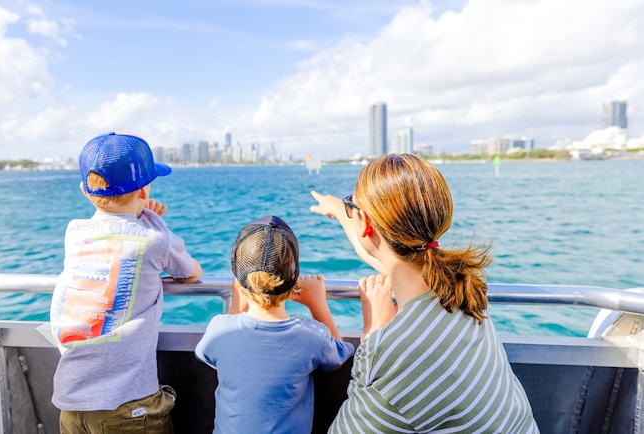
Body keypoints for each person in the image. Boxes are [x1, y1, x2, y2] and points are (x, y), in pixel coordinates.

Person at [310, 154, 540, 433]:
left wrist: (373, 333)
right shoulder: (462, 286)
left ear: (366, 224)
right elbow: (379, 251)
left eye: (352, 206)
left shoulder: (391, 356)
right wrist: (340, 208)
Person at [50, 131, 202, 434]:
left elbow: (110, 226)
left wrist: (139, 214)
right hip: (129, 409)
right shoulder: (154, 237)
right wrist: (153, 219)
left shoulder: (74, 232)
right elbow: (191, 272)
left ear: (84, 190)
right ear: (145, 190)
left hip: (72, 404)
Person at [194, 215, 355, 434]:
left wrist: (235, 307)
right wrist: (318, 305)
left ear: (237, 281)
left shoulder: (219, 329)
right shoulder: (312, 337)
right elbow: (338, 357)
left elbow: (210, 357)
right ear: (294, 280)